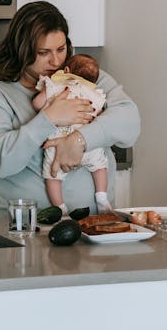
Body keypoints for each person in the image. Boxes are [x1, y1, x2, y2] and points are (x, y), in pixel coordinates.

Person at [0, 0, 141, 219]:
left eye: (60, 49)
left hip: (91, 227)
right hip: (18, 229)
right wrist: (49, 117)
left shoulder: (89, 80)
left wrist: (78, 140)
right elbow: (0, 163)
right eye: (43, 52)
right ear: (21, 50)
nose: (55, 60)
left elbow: (130, 124)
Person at [32, 53, 112, 215]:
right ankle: (102, 195)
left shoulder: (57, 86)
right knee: (100, 167)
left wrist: (47, 94)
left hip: (58, 143)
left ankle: (60, 207)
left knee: (52, 176)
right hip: (88, 145)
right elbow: (102, 114)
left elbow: (37, 104)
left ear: (66, 70)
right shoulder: (95, 93)